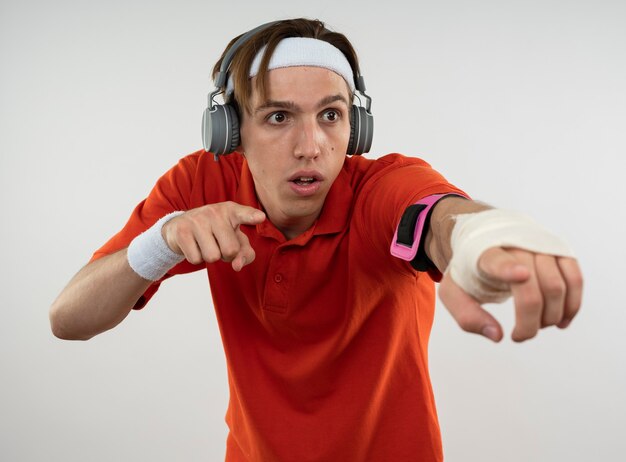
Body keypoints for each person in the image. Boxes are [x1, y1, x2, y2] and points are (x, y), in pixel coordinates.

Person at [49, 18, 583, 462]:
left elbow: (436, 216)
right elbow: (68, 319)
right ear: (230, 133)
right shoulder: (201, 184)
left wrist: (480, 238)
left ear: (358, 126)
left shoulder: (377, 187)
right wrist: (159, 243)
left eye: (331, 115)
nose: (312, 146)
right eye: (279, 116)